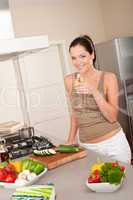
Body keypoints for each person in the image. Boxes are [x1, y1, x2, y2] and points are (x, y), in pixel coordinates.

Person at [64, 35, 131, 164]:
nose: (78, 62)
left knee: (124, 182)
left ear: (92, 55)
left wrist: (93, 90)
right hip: (87, 147)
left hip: (113, 144)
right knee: (94, 182)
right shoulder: (69, 80)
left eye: (82, 56)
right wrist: (70, 140)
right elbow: (75, 113)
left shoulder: (108, 78)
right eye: (73, 58)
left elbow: (112, 117)